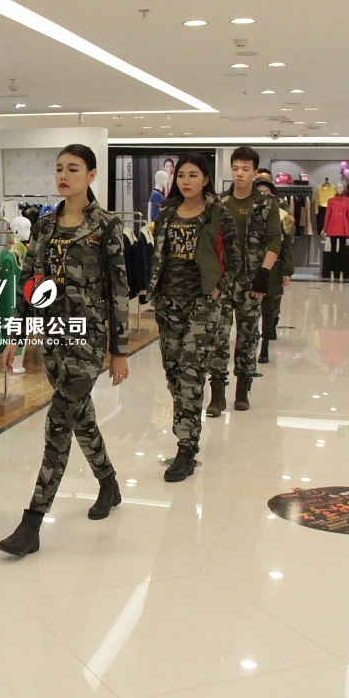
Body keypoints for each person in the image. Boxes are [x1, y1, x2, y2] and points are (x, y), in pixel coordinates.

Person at [0, 144, 130, 555]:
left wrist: (119, 349)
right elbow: (29, 280)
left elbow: (118, 290)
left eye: (73, 169)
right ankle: (108, 482)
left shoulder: (106, 226)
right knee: (80, 416)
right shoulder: (44, 225)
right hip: (52, 336)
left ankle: (32, 522)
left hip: (88, 339)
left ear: (91, 175)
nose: (63, 176)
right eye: (59, 169)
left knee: (58, 423)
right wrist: (16, 335)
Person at [149, 154, 239, 481]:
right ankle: (184, 431)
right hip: (168, 303)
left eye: (193, 175)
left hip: (202, 305)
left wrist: (216, 291)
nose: (186, 181)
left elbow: (235, 259)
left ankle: (186, 447)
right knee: (174, 374)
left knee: (191, 372)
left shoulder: (218, 213)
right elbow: (159, 255)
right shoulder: (167, 212)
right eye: (182, 176)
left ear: (206, 179)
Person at [207, 146, 282, 413]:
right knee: (218, 337)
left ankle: (242, 391)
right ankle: (217, 394)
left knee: (248, 337)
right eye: (236, 168)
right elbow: (210, 241)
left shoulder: (266, 203)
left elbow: (275, 239)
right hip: (223, 281)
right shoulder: (219, 202)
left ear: (255, 172)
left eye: (245, 169)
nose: (239, 173)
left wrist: (264, 273)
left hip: (252, 282)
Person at [252, 178, 295, 364]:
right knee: (250, 308)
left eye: (266, 192)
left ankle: (265, 344)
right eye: (259, 192)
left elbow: (287, 246)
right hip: (251, 267)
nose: (263, 196)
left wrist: (287, 270)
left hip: (274, 267)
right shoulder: (249, 212)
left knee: (269, 308)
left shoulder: (283, 214)